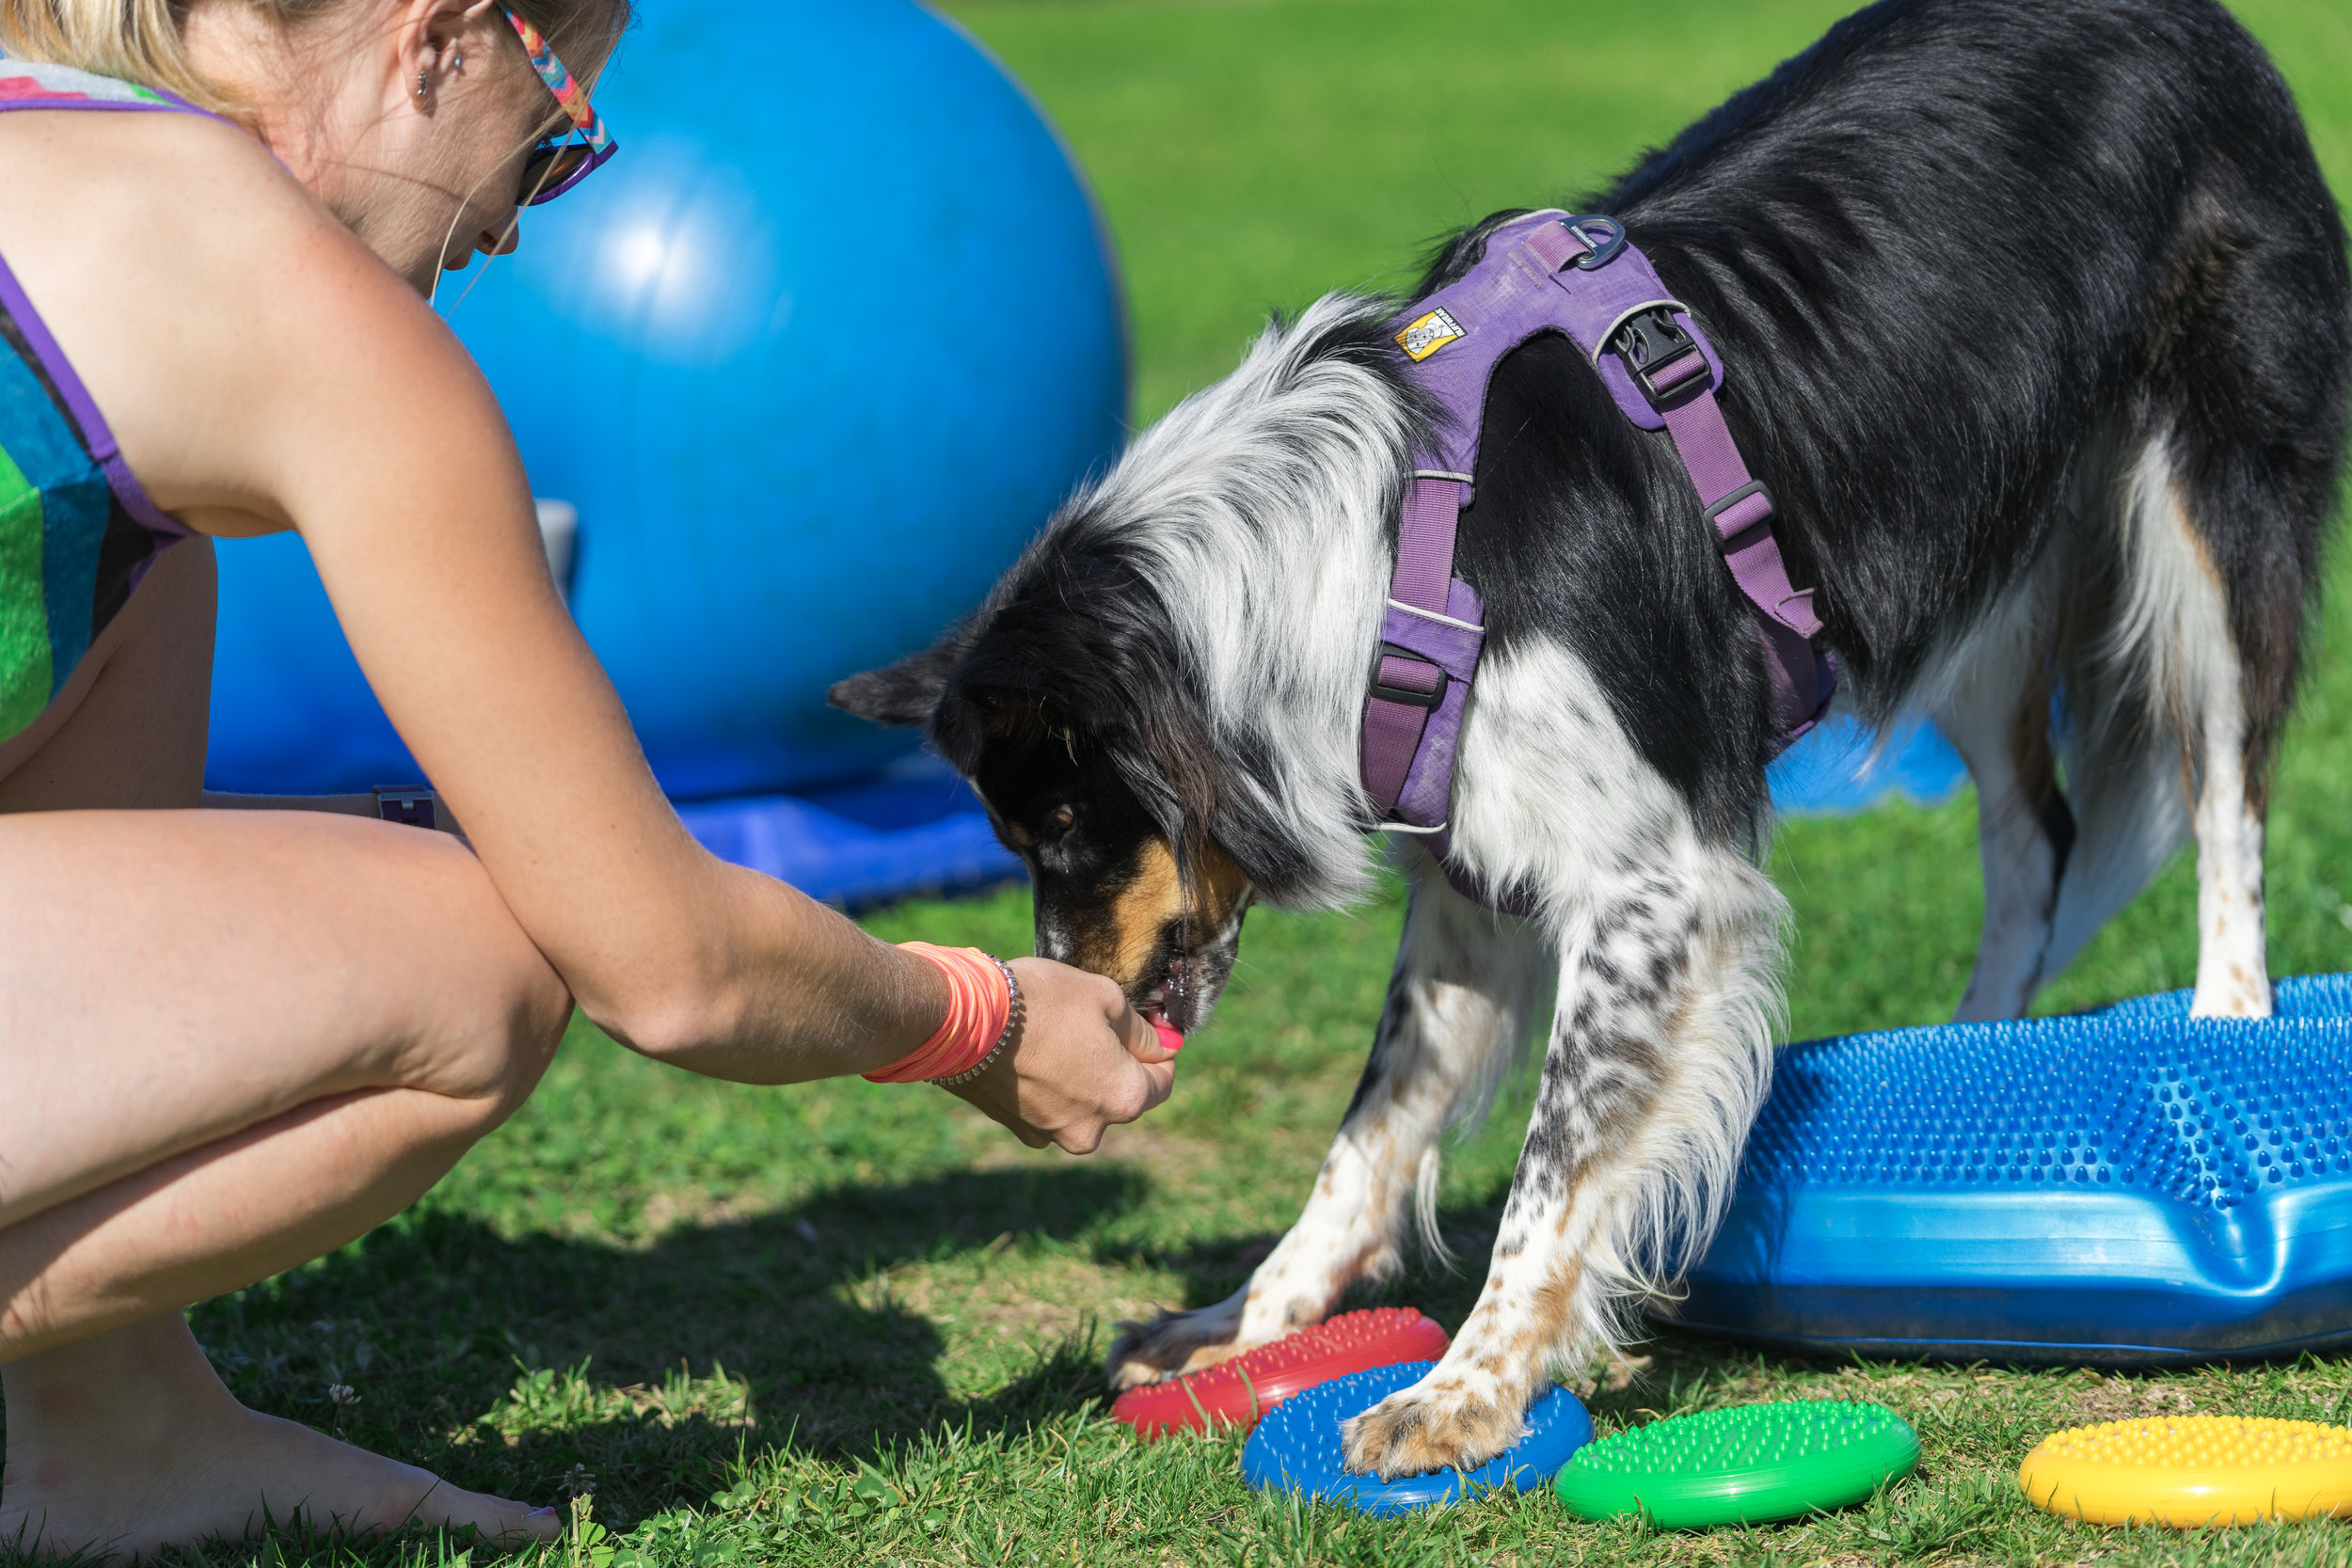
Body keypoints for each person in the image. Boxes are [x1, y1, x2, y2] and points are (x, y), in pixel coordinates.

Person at [0, 0, 1177, 1557]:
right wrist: (972, 1019)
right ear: (444, 40)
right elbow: (666, 965)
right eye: (555, 141)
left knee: (150, 572)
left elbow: (106, 886)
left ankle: (120, 1435)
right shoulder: (282, 296)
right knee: (476, 956)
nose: (514, 225)